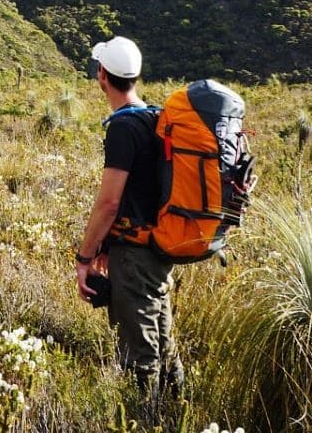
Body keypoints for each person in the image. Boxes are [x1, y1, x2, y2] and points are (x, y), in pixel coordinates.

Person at [73, 35, 184, 394]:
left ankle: (143, 414)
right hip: (160, 244)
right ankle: (174, 406)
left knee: (139, 352)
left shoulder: (123, 127)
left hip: (135, 255)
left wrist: (84, 256)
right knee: (161, 334)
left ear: (102, 75)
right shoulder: (155, 118)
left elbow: (109, 202)